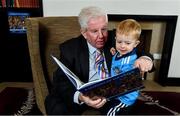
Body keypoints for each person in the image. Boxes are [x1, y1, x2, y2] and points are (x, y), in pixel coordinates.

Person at [45, 6, 154, 115]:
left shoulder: (118, 40)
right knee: (54, 104)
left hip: (113, 95)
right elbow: (61, 81)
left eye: (104, 29)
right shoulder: (70, 48)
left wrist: (146, 59)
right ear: (84, 33)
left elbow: (138, 51)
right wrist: (80, 97)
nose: (101, 36)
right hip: (85, 95)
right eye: (94, 31)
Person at [108, 19, 150, 115]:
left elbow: (127, 83)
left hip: (125, 97)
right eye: (119, 42)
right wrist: (114, 50)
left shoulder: (130, 62)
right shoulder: (118, 53)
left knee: (110, 113)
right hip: (116, 93)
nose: (122, 46)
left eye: (127, 43)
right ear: (115, 39)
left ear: (135, 44)